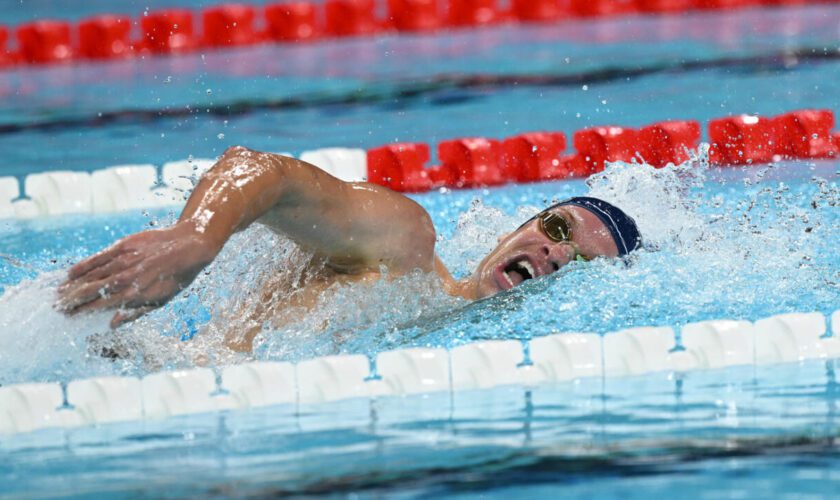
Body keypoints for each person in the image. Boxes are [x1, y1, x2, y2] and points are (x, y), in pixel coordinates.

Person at [56, 146, 642, 352]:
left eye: (580, 264)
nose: (555, 256)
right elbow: (263, 171)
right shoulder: (406, 245)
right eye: (560, 232)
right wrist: (197, 236)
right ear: (514, 230)